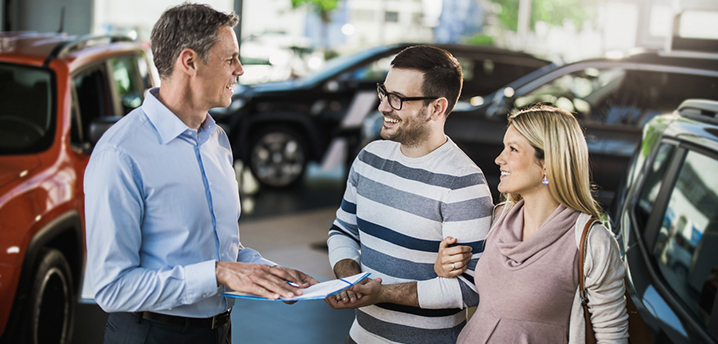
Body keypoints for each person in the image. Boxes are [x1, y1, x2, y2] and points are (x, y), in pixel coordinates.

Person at [84, 4, 316, 343]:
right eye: (230, 59)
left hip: (219, 331)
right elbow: (113, 289)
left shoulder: (216, 139)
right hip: (151, 334)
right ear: (189, 62)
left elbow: (221, 252)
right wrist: (218, 273)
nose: (240, 70)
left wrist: (267, 272)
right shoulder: (121, 153)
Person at [324, 45, 494, 343]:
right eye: (384, 93)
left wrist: (381, 293)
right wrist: (350, 278)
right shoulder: (369, 158)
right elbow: (342, 230)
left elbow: (470, 287)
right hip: (359, 336)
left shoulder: (464, 183)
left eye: (398, 99)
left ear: (436, 108)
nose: (383, 107)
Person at [435, 104, 629, 343]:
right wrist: (444, 268)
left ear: (547, 163)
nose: (499, 159)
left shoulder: (592, 242)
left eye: (513, 149)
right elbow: (473, 289)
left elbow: (612, 337)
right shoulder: (498, 219)